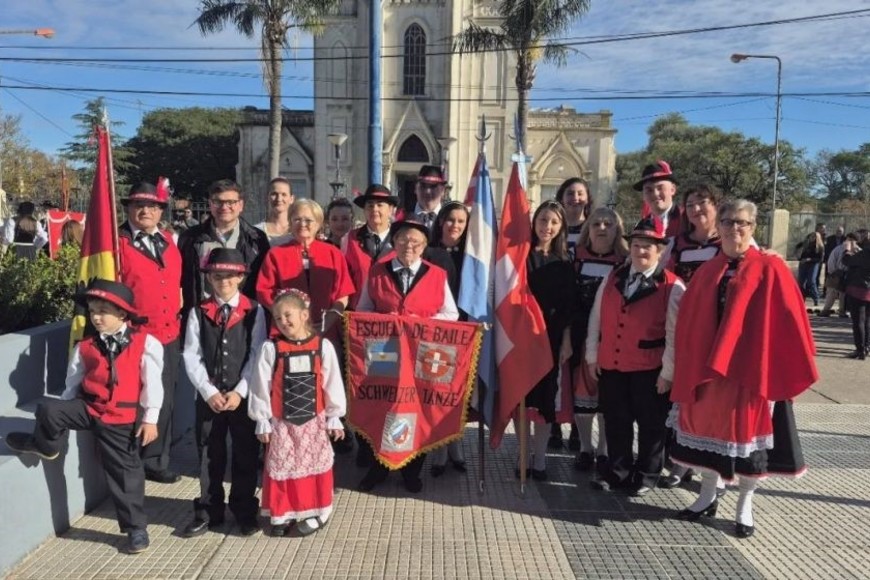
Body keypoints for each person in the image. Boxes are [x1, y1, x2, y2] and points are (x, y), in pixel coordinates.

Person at [670, 199, 817, 539]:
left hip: (751, 372)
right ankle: (707, 496)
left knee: (750, 443)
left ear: (753, 227)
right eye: (727, 221)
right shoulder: (709, 269)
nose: (734, 228)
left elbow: (789, 317)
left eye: (742, 223)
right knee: (708, 435)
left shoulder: (770, 266)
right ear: (718, 226)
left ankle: (744, 506)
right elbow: (690, 321)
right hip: (710, 370)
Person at [5, 279, 164, 554]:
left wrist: (150, 418)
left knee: (126, 474)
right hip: (89, 408)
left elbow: (153, 384)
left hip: (121, 417)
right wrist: (60, 416)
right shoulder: (85, 346)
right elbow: (72, 382)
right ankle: (46, 445)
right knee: (49, 409)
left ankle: (135, 528)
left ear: (123, 314)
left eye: (103, 311)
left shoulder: (145, 343)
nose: (96, 317)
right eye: (92, 311)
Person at [356, 219, 459, 493]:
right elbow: (361, 310)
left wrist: (419, 323)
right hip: (384, 351)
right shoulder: (377, 272)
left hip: (422, 353)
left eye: (415, 241)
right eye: (403, 239)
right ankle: (379, 467)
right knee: (382, 405)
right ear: (394, 242)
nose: (408, 245)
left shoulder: (437, 274)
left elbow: (451, 314)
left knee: (417, 406)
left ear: (424, 246)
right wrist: (383, 320)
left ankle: (412, 469)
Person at [586, 216, 685, 496]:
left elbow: (675, 335)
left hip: (649, 368)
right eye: (637, 245)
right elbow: (597, 317)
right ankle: (618, 472)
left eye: (648, 247)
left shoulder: (672, 286)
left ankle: (647, 474)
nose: (641, 251)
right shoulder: (613, 277)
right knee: (617, 420)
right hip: (612, 363)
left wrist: (668, 374)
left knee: (651, 425)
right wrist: (593, 354)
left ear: (660, 251)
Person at [181, 248, 267, 538]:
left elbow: (257, 354)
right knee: (209, 454)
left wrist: (241, 391)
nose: (224, 281)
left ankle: (244, 510)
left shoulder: (254, 312)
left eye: (230, 276)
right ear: (209, 278)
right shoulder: (197, 312)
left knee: (245, 453)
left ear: (241, 277)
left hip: (242, 398)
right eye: (217, 276)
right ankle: (208, 510)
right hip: (210, 399)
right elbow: (192, 356)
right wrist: (207, 391)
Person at [249, 288, 347, 536]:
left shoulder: (322, 346)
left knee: (315, 465)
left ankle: (319, 510)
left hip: (314, 421)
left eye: (288, 315)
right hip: (283, 421)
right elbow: (260, 385)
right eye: (278, 318)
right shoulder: (271, 349)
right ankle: (282, 511)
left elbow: (332, 382)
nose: (284, 322)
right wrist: (262, 418)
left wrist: (335, 415)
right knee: (284, 465)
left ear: (304, 315)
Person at [118, 182, 184, 484]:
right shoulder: (117, 243)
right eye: (138, 205)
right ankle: (130, 458)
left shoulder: (169, 241)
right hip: (133, 334)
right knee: (133, 397)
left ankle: (156, 459)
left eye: (152, 206)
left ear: (160, 211)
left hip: (168, 332)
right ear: (129, 209)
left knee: (165, 398)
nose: (145, 210)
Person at [515, 200, 577, 480]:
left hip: (550, 337)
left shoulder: (565, 262)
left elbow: (568, 306)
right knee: (520, 398)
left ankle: (539, 457)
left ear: (561, 226)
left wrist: (566, 340)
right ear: (534, 222)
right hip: (521, 336)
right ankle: (522, 452)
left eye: (553, 222)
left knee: (544, 399)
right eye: (543, 220)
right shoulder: (520, 256)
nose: (547, 227)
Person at [569, 207, 628, 475]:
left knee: (609, 398)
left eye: (609, 224)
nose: (602, 228)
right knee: (581, 395)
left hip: (614, 338)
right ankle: (584, 447)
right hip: (580, 335)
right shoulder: (575, 257)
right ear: (588, 229)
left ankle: (603, 450)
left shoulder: (626, 261)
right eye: (596, 224)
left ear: (617, 230)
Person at [256, 199, 354, 345]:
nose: (303, 224)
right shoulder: (276, 254)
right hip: (286, 331)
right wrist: (287, 320)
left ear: (319, 224)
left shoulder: (333, 253)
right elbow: (264, 292)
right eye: (297, 219)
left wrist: (327, 323)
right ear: (290, 222)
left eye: (308, 220)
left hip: (328, 331)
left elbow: (343, 294)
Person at [179, 179, 271, 313]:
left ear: (241, 205)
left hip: (244, 317)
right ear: (210, 204)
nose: (224, 207)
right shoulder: (190, 238)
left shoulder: (257, 239)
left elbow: (264, 282)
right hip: (202, 315)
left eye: (231, 202)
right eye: (218, 202)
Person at [428, 200, 471, 476]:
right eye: (450, 220)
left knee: (459, 394)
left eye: (461, 221)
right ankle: (439, 450)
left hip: (466, 331)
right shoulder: (430, 253)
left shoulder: (472, 256)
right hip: (437, 332)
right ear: (441, 222)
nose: (455, 225)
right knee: (437, 392)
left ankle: (456, 445)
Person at [549, 178, 592, 451]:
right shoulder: (557, 228)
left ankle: (578, 427)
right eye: (569, 193)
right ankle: (552, 424)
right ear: (561, 197)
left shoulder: (595, 227)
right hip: (560, 306)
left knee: (578, 372)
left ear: (587, 197)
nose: (575, 198)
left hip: (586, 310)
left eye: (579, 193)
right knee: (556, 369)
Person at [342, 184, 398, 310]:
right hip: (357, 313)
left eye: (380, 205)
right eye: (370, 205)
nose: (374, 209)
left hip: (389, 315)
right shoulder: (350, 238)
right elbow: (343, 278)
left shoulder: (400, 240)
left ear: (390, 210)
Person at [634, 161, 682, 242]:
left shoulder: (686, 218)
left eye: (660, 188)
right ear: (643, 195)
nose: (655, 194)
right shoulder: (641, 226)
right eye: (649, 190)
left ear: (673, 189)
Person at [842, 234, 870, 359]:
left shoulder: (866, 252)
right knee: (867, 321)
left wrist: (848, 250)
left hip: (860, 289)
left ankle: (860, 350)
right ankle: (867, 347)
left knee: (858, 321)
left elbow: (847, 261)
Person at [819, 232, 855, 318]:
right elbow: (831, 261)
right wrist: (833, 272)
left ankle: (840, 311)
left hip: (845, 274)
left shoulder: (855, 250)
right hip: (837, 273)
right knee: (832, 293)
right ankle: (827, 310)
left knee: (842, 294)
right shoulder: (838, 249)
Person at [254, 177, 295, 247]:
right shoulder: (256, 231)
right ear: (267, 197)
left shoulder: (298, 230)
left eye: (284, 194)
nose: (279, 199)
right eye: (274, 194)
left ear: (291, 199)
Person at [412, 165, 448, 230]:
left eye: (433, 186)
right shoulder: (401, 218)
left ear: (443, 190)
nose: (427, 191)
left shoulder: (450, 219)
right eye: (423, 186)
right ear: (415, 188)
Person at [797, 231, 825, 307]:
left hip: (813, 264)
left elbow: (820, 259)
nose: (812, 238)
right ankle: (801, 299)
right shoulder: (806, 245)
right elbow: (798, 248)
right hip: (803, 264)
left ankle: (816, 298)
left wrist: (809, 259)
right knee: (801, 282)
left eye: (814, 237)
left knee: (811, 281)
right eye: (811, 236)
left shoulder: (820, 247)